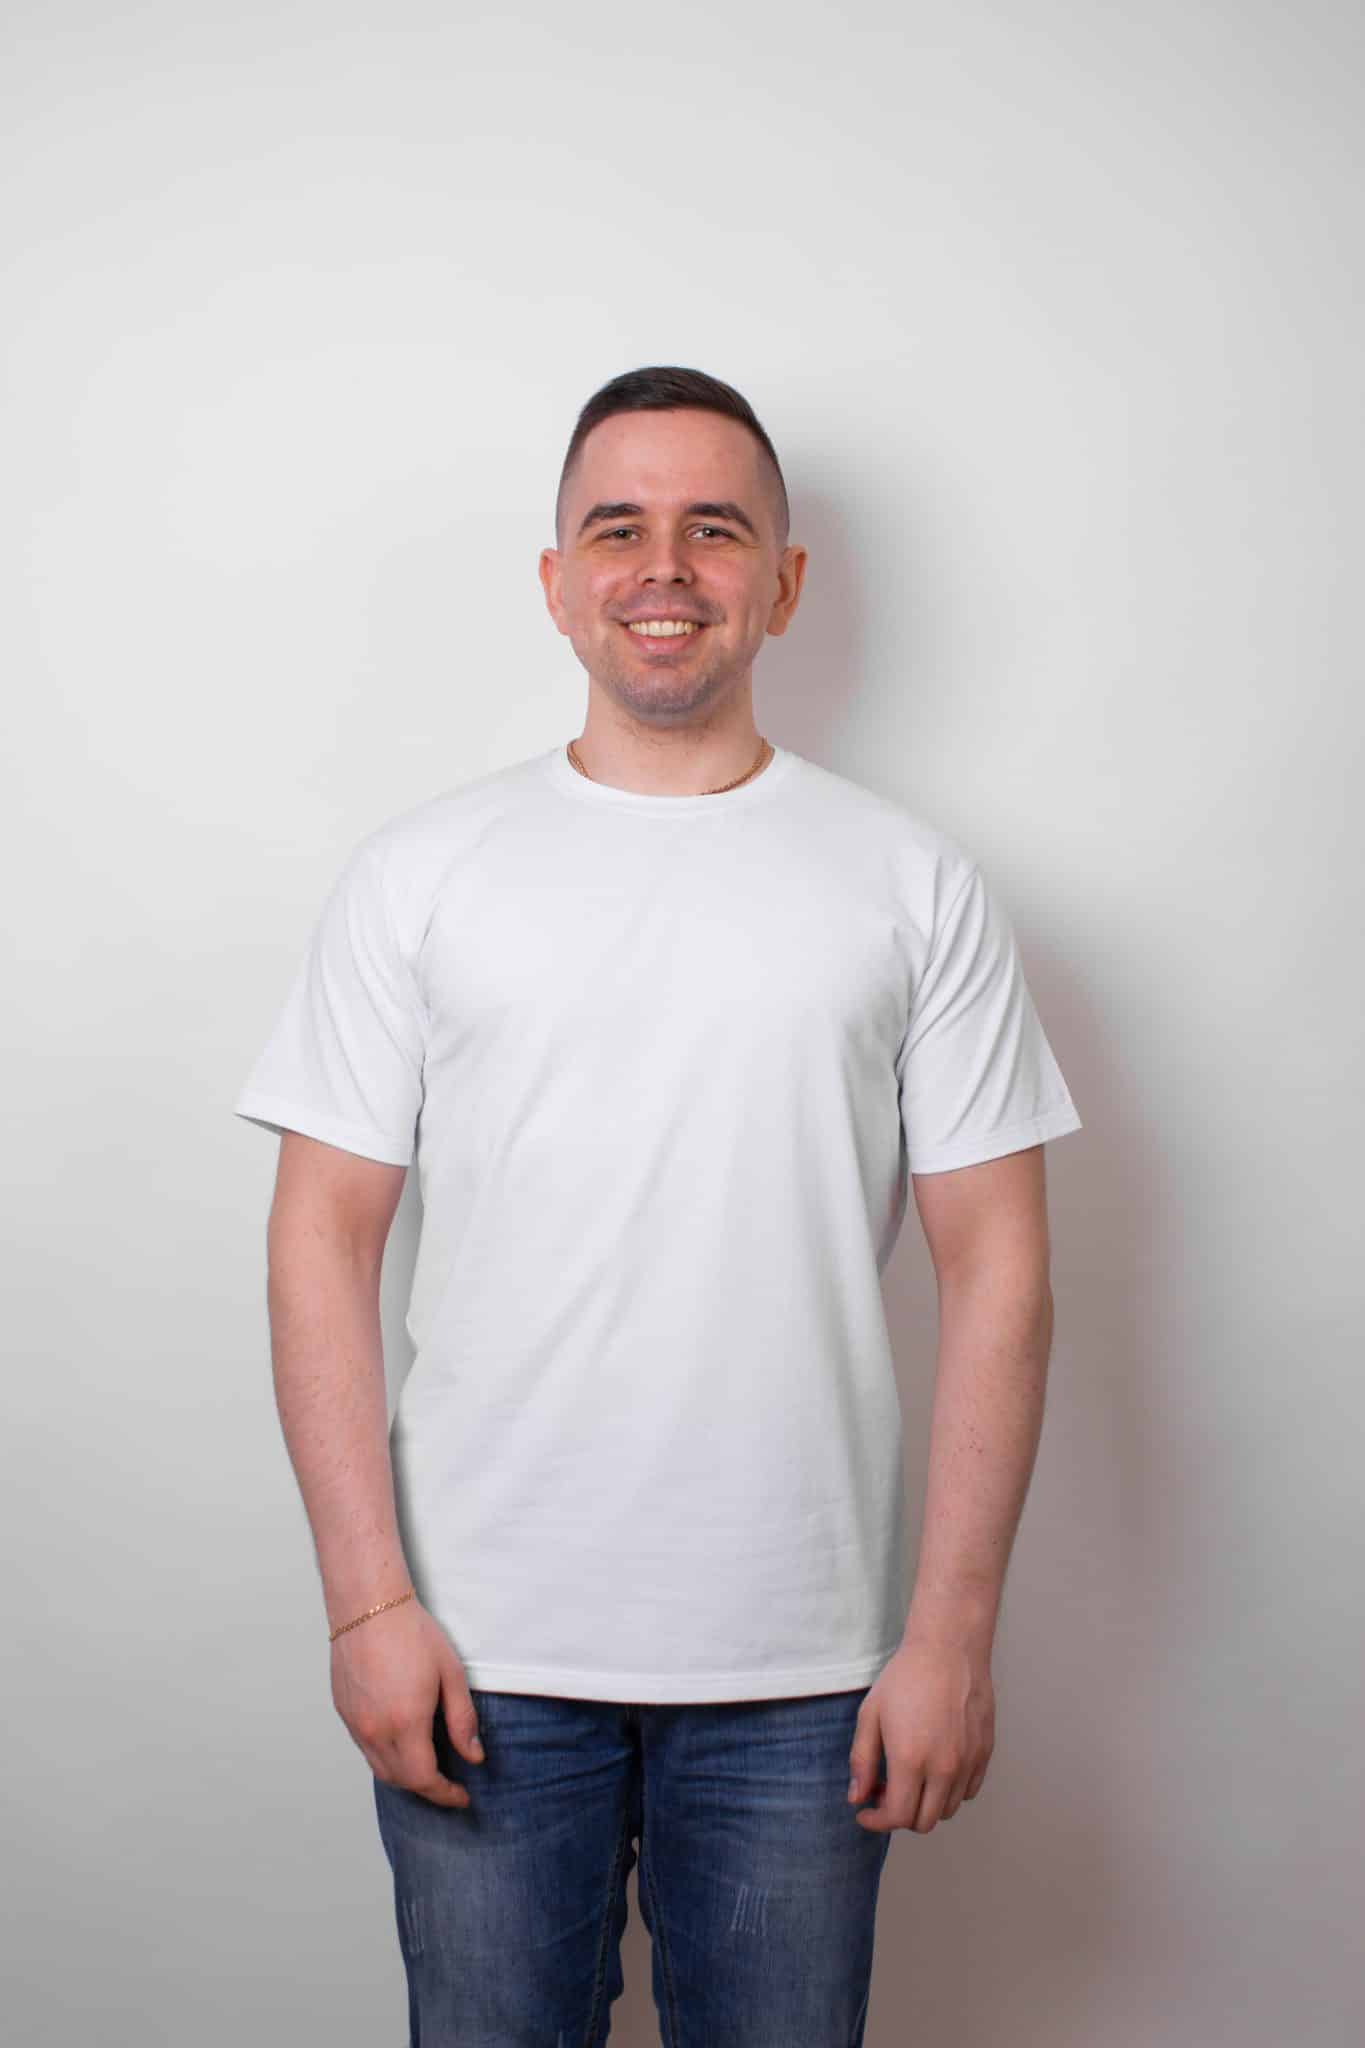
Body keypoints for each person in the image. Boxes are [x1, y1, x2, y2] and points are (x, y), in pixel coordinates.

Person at [233, 363, 1083, 2045]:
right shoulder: (421, 876)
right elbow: (319, 1241)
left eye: (715, 528)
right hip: (476, 1652)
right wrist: (366, 1605)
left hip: (806, 1668)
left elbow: (999, 1268)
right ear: (557, 582)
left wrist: (948, 1636)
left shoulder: (909, 882)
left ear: (784, 580)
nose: (664, 568)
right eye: (617, 529)